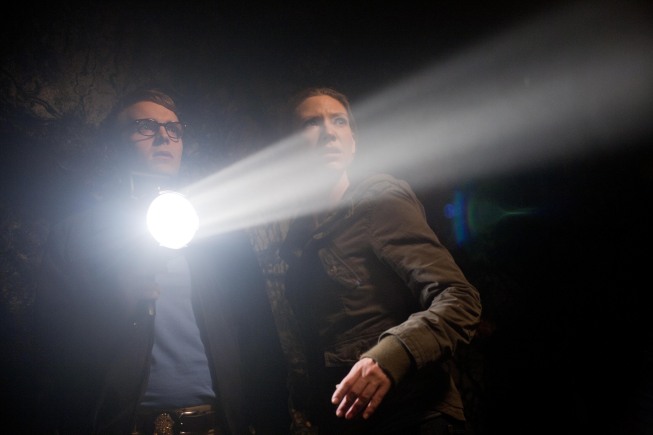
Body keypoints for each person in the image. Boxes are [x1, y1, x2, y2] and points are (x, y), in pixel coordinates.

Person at [32, 87, 290, 434]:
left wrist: (275, 422)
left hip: (216, 425)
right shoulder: (76, 235)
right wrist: (109, 305)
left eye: (174, 129)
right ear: (112, 145)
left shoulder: (220, 233)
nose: (163, 137)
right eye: (145, 126)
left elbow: (259, 337)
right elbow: (48, 348)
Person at [278, 87, 482, 435]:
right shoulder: (295, 244)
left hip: (416, 417)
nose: (329, 132)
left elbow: (461, 299)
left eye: (339, 121)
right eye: (312, 123)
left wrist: (390, 356)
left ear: (353, 142)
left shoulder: (378, 202)